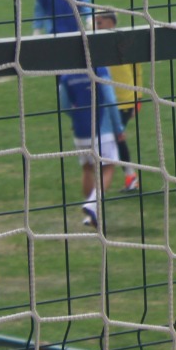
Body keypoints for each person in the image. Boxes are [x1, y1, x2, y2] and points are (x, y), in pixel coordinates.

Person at [59, 68, 117, 230]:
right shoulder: (100, 70)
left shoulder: (66, 75)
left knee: (87, 168)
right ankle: (92, 205)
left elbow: (64, 104)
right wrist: (118, 127)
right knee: (108, 167)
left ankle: (91, 217)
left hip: (80, 131)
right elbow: (110, 99)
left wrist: (78, 118)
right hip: (102, 130)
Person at [92, 12, 141, 192]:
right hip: (107, 101)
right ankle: (128, 176)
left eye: (100, 23)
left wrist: (138, 98)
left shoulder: (123, 42)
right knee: (112, 139)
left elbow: (137, 70)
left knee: (115, 139)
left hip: (123, 101)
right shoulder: (97, 43)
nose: (96, 26)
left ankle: (130, 177)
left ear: (111, 23)